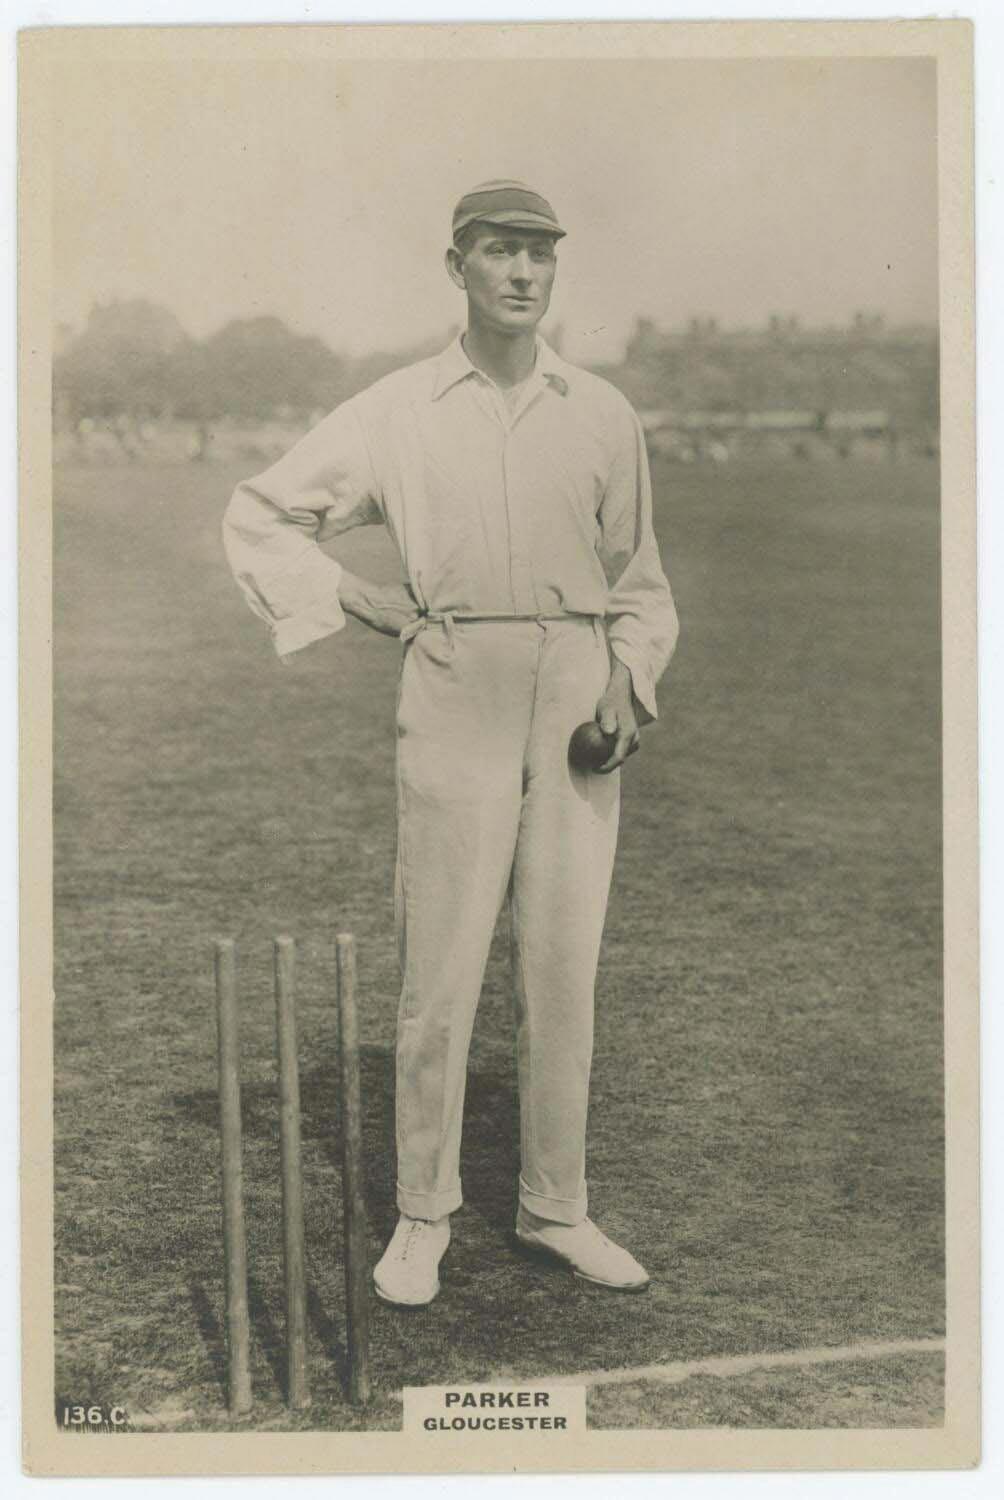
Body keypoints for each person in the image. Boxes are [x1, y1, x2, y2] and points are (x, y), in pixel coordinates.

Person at [222, 179, 679, 1306]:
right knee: (442, 966)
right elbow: (262, 513)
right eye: (499, 251)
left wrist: (627, 680)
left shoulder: (600, 412)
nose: (522, 272)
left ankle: (555, 1208)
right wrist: (357, 598)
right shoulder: (395, 410)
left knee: (562, 965)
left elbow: (639, 584)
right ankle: (423, 1212)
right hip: (455, 674)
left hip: (574, 688)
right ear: (456, 266)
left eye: (539, 253)